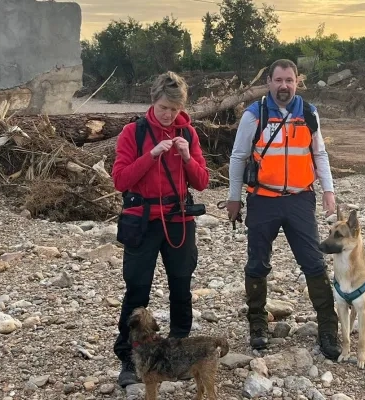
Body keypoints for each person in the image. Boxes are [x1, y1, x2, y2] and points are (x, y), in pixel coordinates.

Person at [225, 59, 341, 360]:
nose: (284, 86)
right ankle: (257, 324)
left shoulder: (309, 114)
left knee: (314, 262)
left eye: (289, 80)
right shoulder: (255, 114)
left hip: (300, 199)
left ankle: (329, 328)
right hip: (262, 199)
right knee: (257, 264)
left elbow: (320, 155)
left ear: (297, 82)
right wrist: (234, 198)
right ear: (269, 83)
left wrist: (329, 192)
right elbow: (238, 157)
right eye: (278, 80)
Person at [111, 71, 209, 387]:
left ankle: (178, 353)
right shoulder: (132, 133)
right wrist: (150, 156)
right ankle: (129, 358)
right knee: (137, 290)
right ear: (153, 101)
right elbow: (120, 180)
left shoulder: (189, 134)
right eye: (164, 107)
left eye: (175, 109)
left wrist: (185, 155)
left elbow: (202, 182)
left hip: (179, 220)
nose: (169, 115)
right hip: (142, 222)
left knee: (181, 287)